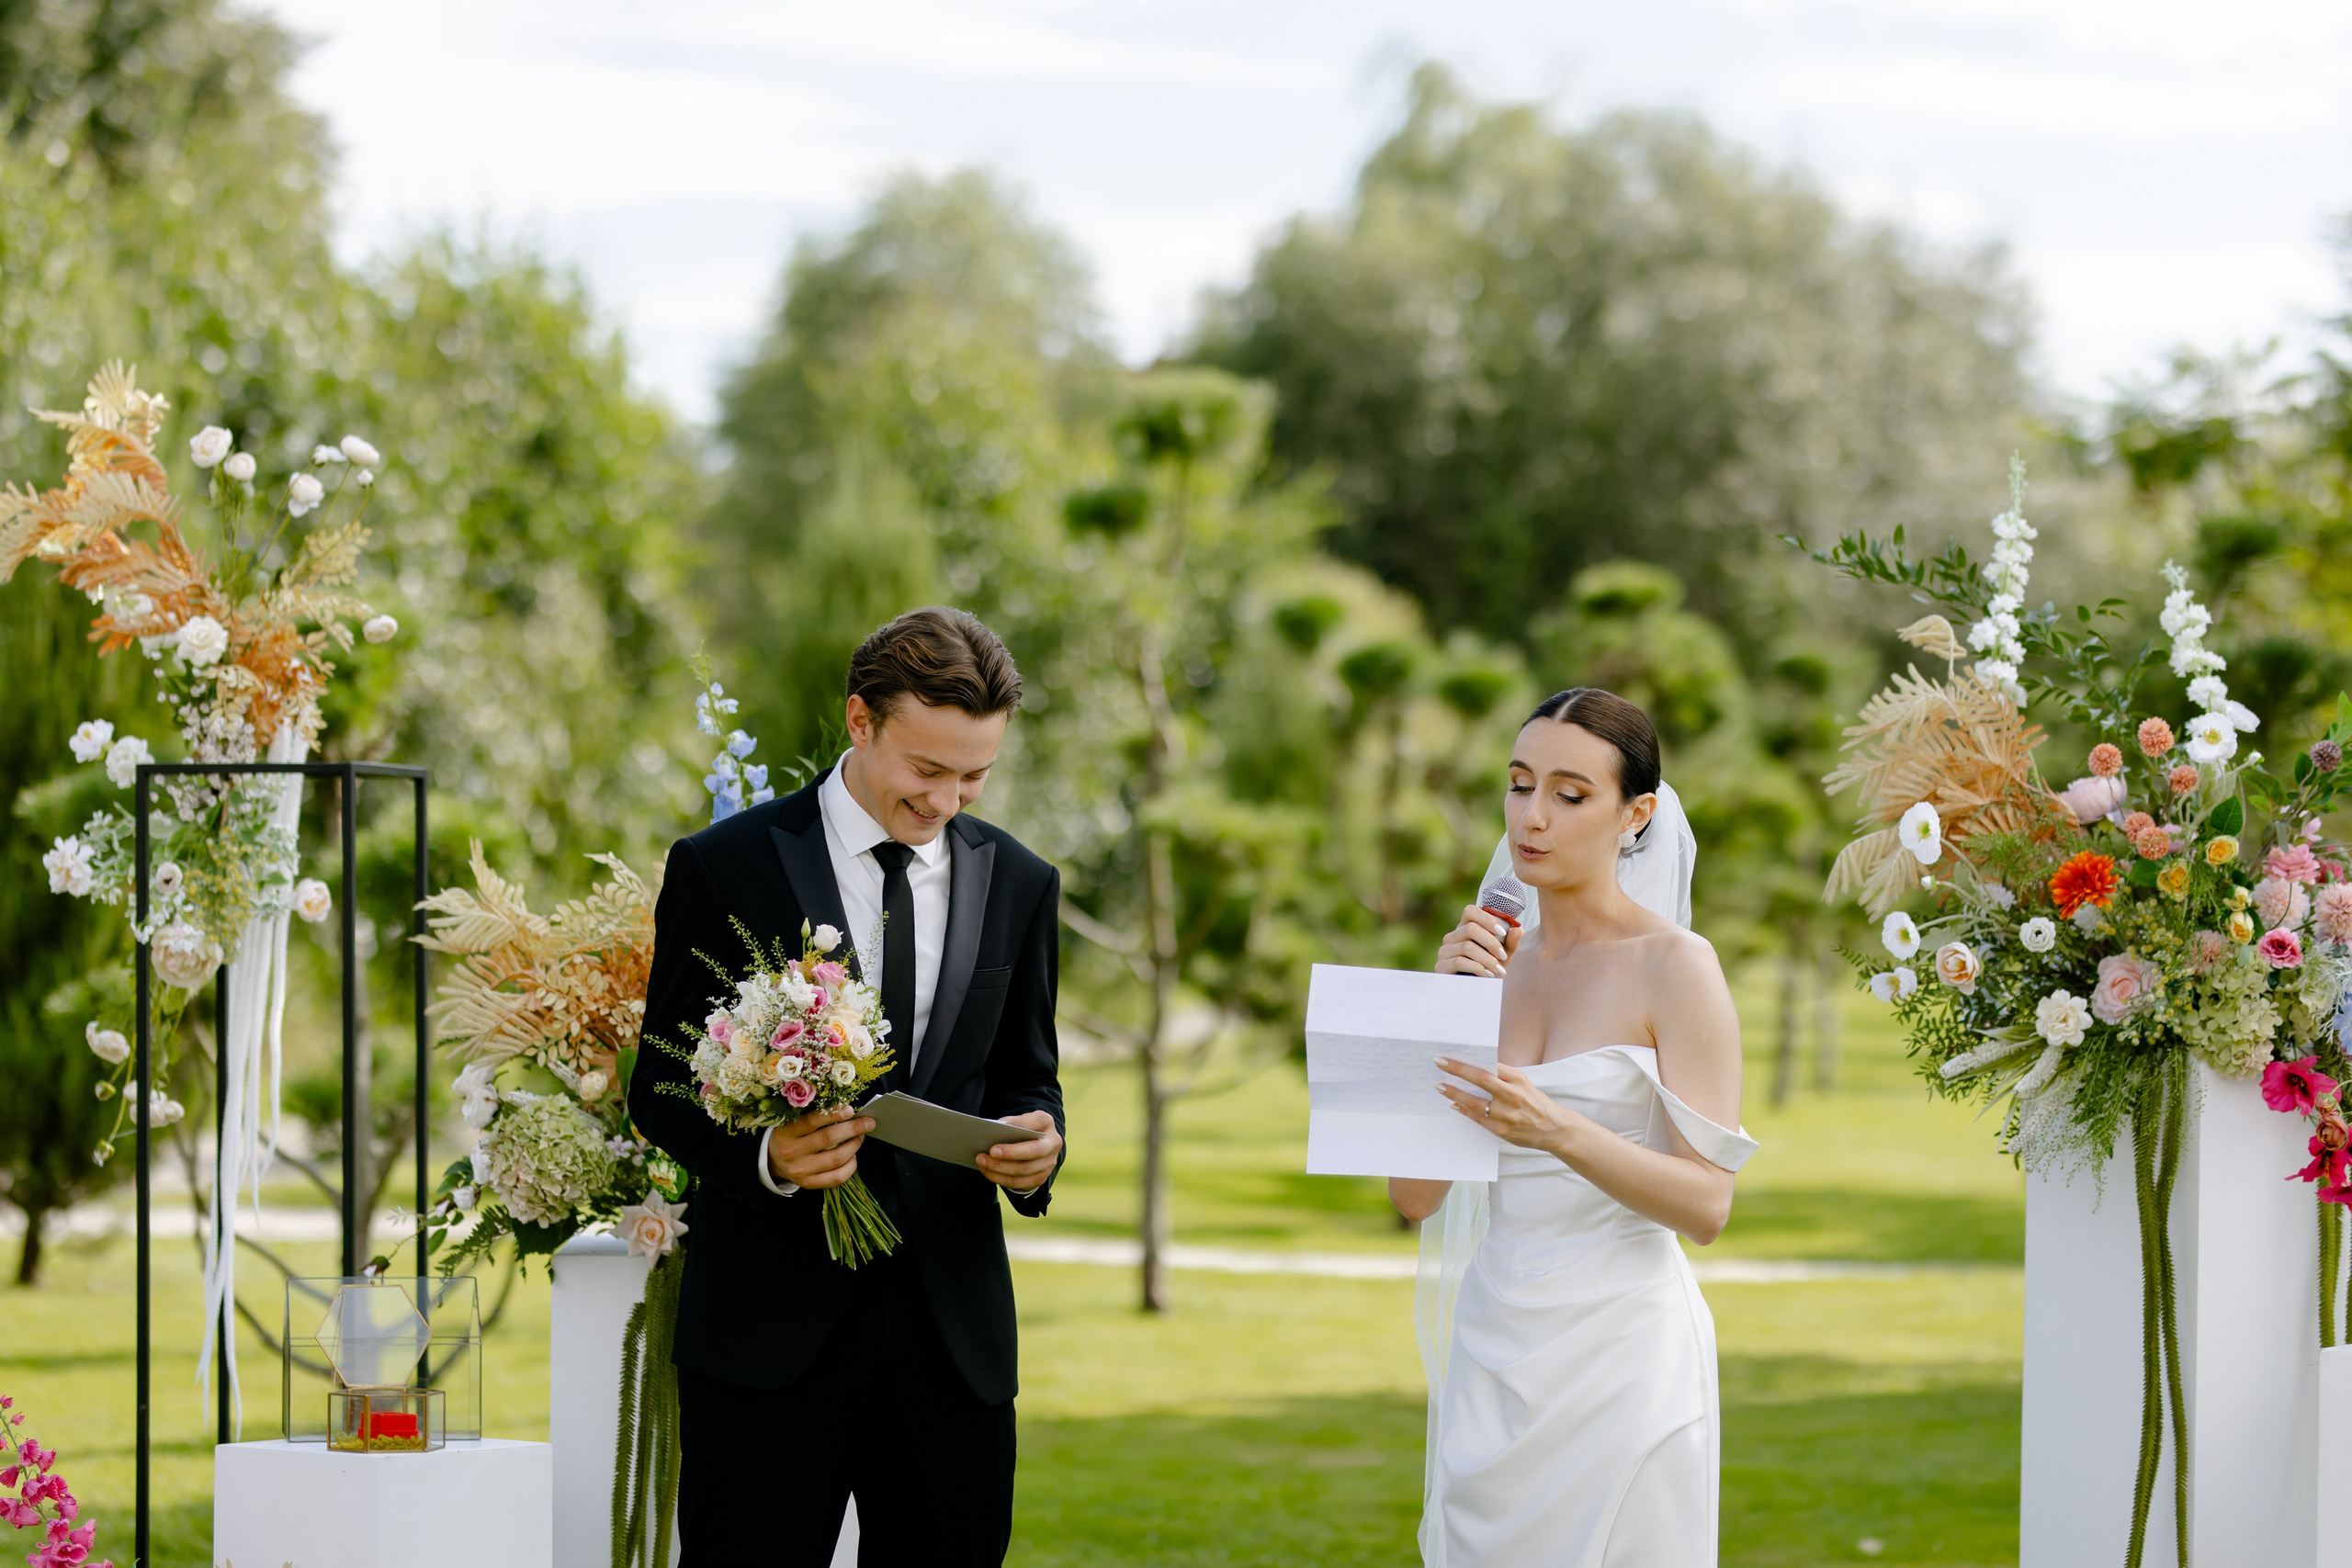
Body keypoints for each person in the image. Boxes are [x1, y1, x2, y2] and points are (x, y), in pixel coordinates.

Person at [628, 607, 1067, 1568]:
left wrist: (1041, 1146)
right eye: (926, 770)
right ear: (859, 722)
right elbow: (658, 1082)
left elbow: (1030, 1072)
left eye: (975, 775)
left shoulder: (1023, 882)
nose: (948, 799)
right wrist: (767, 1158)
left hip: (955, 1348)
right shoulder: (725, 864)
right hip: (766, 1343)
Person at [1395, 686, 1756, 1567]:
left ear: (1636, 815)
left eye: (1570, 793)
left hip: (1624, 1354)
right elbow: (1413, 1197)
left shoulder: (1677, 966)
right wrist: (1446, 1007)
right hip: (1495, 1345)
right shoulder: (1487, 967)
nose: (1534, 816)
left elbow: (1707, 1206)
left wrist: (1560, 1132)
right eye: (1520, 785)